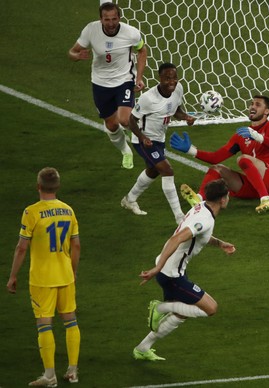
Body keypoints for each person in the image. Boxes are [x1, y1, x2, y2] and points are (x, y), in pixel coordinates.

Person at [133, 179, 235, 361]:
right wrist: (157, 268)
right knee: (210, 308)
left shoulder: (202, 207)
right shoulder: (204, 219)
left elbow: (200, 235)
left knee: (181, 313)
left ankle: (142, 348)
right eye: (227, 196)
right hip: (171, 273)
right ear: (222, 199)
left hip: (172, 269)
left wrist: (220, 243)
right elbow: (177, 239)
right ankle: (160, 307)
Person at [7, 167, 81, 386]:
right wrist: (73, 271)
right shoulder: (68, 210)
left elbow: (21, 248)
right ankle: (73, 371)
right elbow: (76, 245)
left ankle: (50, 376)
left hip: (42, 279)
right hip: (65, 275)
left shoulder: (31, 212)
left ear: (38, 187)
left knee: (44, 324)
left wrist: (12, 276)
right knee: (70, 321)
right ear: (57, 187)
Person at [170, 95, 269, 214]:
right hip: (253, 185)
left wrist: (257, 136)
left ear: (267, 111)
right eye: (251, 104)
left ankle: (266, 200)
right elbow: (216, 157)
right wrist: (191, 150)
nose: (252, 106)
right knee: (217, 169)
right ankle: (198, 199)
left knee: (243, 159)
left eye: (258, 105)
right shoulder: (242, 134)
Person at [68, 1, 148, 170]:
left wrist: (139, 77)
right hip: (100, 83)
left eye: (114, 19)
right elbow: (71, 52)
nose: (111, 23)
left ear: (119, 17)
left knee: (124, 119)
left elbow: (142, 50)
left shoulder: (131, 33)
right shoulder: (91, 30)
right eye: (107, 19)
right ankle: (126, 151)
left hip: (124, 80)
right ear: (101, 19)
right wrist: (77, 55)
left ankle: (143, 137)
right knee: (111, 125)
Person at [121, 62, 195, 224]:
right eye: (168, 78)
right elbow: (131, 120)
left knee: (153, 171)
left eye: (174, 78)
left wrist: (186, 117)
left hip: (159, 139)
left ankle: (129, 199)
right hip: (144, 141)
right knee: (167, 170)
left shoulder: (178, 89)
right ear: (159, 78)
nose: (172, 82)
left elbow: (176, 110)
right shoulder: (149, 98)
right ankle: (179, 217)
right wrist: (142, 137)